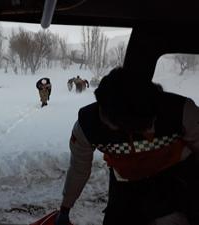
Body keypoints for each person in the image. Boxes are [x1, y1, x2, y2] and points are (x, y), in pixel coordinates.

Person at [55, 67, 199, 225]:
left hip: (174, 178)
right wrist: (65, 208)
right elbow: (79, 169)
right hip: (125, 181)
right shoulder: (87, 126)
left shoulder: (181, 112)